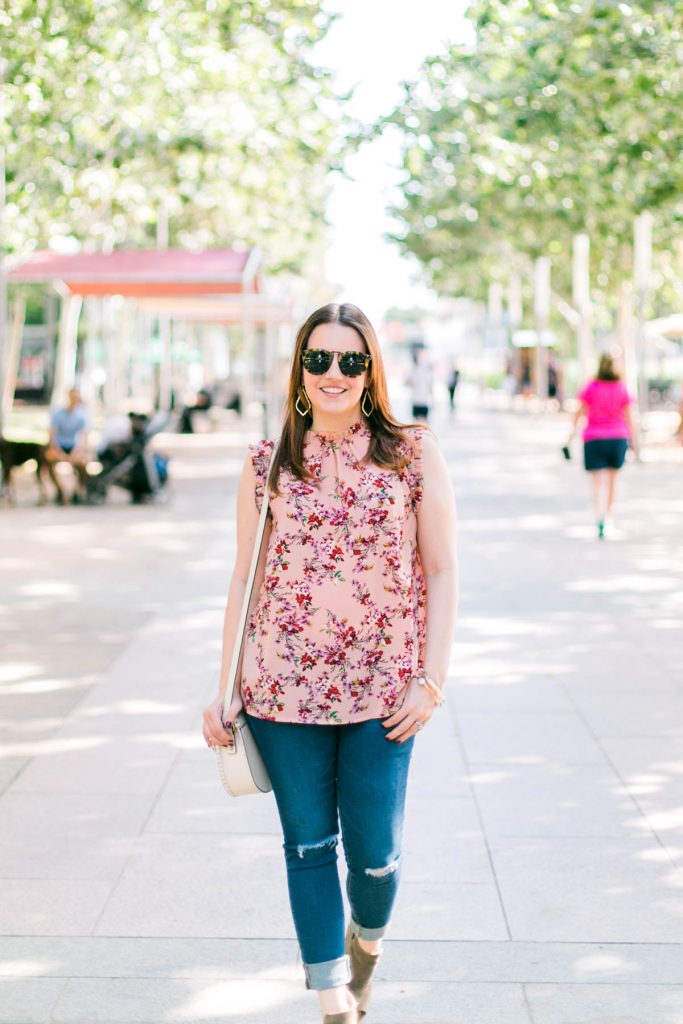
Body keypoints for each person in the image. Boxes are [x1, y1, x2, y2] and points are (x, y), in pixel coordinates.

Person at [202, 303, 458, 1024]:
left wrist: (431, 679)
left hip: (384, 693)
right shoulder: (267, 461)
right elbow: (243, 578)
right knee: (307, 844)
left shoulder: (411, 453)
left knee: (375, 857)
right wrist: (223, 688)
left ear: (371, 368)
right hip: (282, 690)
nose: (334, 373)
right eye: (319, 359)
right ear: (299, 369)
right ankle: (331, 996)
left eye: (350, 360)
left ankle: (364, 945)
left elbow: (440, 570)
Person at [566, 353, 639, 540]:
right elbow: (630, 417)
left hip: (594, 439)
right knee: (613, 481)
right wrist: (634, 442)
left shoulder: (591, 387)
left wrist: (570, 437)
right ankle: (609, 518)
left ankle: (598, 516)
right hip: (617, 438)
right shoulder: (621, 388)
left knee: (597, 482)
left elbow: (578, 413)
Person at [45, 387, 90, 504]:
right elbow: (51, 436)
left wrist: (76, 453)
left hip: (74, 447)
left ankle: (77, 491)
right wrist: (60, 454)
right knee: (48, 459)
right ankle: (60, 491)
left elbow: (84, 438)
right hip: (60, 446)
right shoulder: (58, 413)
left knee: (83, 464)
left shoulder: (82, 415)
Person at [410, 349, 433, 421]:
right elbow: (430, 386)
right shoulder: (426, 371)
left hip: (418, 400)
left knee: (416, 422)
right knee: (424, 423)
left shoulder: (414, 371)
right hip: (422, 400)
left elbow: (407, 383)